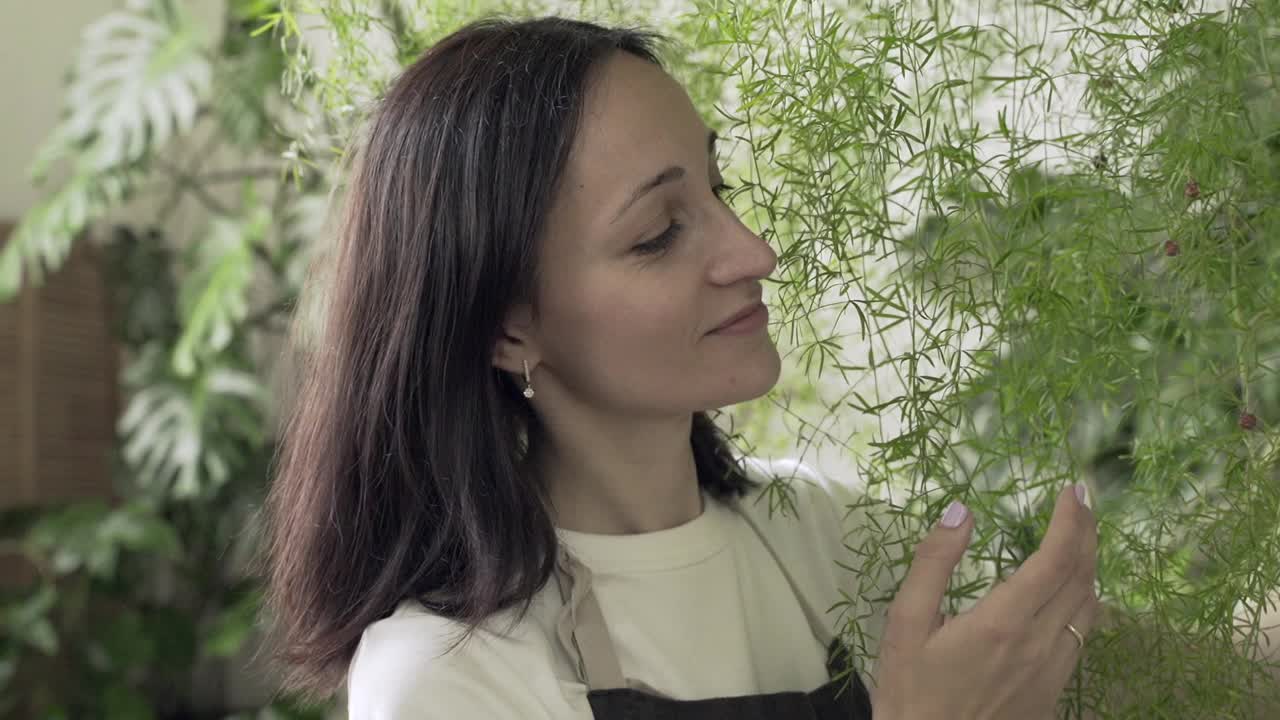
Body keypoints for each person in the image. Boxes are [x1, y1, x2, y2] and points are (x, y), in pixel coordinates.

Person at [260, 14, 1101, 720]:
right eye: (659, 232)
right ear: (508, 330)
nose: (753, 252)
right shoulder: (447, 675)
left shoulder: (825, 534)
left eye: (718, 188)